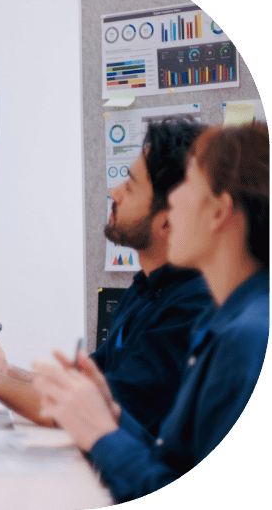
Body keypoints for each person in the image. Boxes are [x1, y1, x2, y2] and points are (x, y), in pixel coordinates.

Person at [33, 121, 269, 503]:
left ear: (219, 212)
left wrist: (102, 435)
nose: (173, 203)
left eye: (188, 185)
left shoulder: (249, 340)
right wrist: (112, 416)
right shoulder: (221, 321)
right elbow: (175, 464)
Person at [0, 119, 213, 435]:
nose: (114, 192)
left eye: (131, 185)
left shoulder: (193, 308)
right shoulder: (147, 288)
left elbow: (94, 411)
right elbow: (85, 385)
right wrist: (0, 371)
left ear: (170, 219)